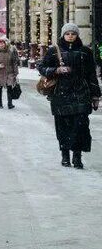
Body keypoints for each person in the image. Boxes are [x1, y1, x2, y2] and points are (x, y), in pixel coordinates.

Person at [38, 23, 101, 168]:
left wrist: (95, 96)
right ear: (63, 35)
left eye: (73, 33)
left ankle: (77, 157)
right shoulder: (54, 51)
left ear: (77, 35)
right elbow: (41, 67)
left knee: (81, 127)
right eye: (68, 33)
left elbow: (91, 75)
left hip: (81, 94)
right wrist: (56, 70)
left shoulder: (85, 51)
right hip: (61, 94)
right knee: (63, 127)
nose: (70, 36)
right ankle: (65, 155)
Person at [0, 37, 20, 109]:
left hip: (9, 72)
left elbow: (14, 62)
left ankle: (10, 103)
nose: (1, 45)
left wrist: (16, 73)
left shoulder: (10, 52)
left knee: (9, 87)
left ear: (5, 44)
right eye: (0, 44)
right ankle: (0, 103)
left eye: (3, 43)